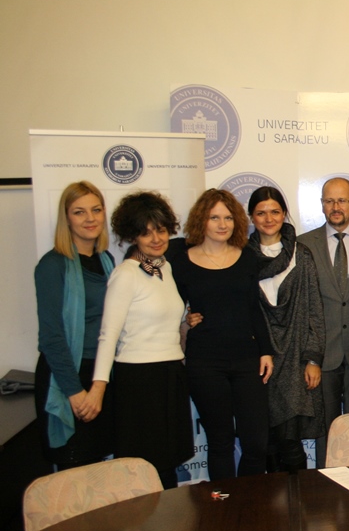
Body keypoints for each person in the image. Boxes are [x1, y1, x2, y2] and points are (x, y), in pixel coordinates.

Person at [170, 189, 273, 480]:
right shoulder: (181, 262)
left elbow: (254, 309)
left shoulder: (247, 257)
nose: (222, 224)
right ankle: (225, 503)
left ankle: (250, 500)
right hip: (205, 362)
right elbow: (170, 308)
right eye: (214, 217)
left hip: (247, 360)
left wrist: (266, 351)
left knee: (256, 443)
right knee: (220, 442)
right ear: (201, 220)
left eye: (228, 217)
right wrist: (185, 321)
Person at [92, 192, 192, 488]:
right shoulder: (125, 274)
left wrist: (188, 321)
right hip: (139, 379)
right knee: (145, 469)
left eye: (160, 230)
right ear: (132, 236)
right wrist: (99, 387)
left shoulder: (166, 268)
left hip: (171, 373)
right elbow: (108, 334)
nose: (156, 239)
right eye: (146, 233)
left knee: (168, 465)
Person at [297, 177, 349, 467]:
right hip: (322, 356)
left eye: (342, 200)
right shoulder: (303, 245)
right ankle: (326, 484)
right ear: (321, 205)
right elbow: (301, 306)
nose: (336, 207)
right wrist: (310, 357)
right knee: (325, 431)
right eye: (329, 201)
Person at [33, 181, 115, 469]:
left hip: (101, 375)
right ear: (66, 218)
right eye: (79, 212)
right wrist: (75, 391)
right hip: (67, 378)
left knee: (99, 470)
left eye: (96, 210)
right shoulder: (52, 265)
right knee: (73, 473)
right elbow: (51, 337)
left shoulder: (107, 261)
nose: (90, 218)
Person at [247, 186, 327, 472]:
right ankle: (271, 500)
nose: (269, 219)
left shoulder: (300, 255)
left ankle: (298, 498)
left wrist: (313, 359)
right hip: (258, 359)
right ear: (251, 217)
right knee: (264, 443)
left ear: (284, 214)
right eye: (261, 213)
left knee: (290, 444)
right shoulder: (241, 258)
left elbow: (314, 309)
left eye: (275, 212)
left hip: (294, 360)